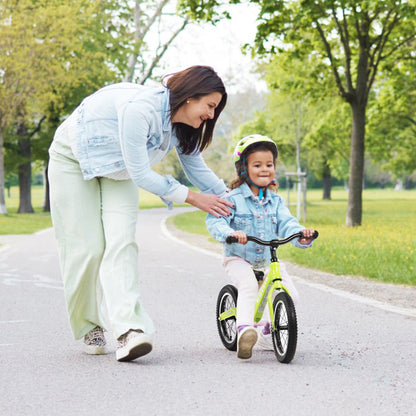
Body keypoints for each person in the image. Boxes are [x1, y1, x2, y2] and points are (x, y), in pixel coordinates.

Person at [48, 65, 233, 362]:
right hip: (73, 158)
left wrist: (231, 198)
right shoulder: (141, 110)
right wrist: (194, 198)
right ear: (190, 96)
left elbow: (196, 168)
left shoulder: (183, 127)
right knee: (88, 248)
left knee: (122, 243)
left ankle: (129, 331)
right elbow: (142, 173)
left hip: (117, 172)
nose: (211, 115)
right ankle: (89, 325)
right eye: (210, 106)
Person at [206, 134, 315, 359]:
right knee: (248, 286)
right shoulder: (233, 198)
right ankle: (245, 330)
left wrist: (301, 235)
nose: (265, 169)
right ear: (244, 169)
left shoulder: (276, 202)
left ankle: (266, 333)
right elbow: (215, 220)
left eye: (269, 164)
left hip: (267, 259)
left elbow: (287, 223)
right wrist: (230, 233)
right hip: (239, 258)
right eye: (257, 165)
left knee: (290, 294)